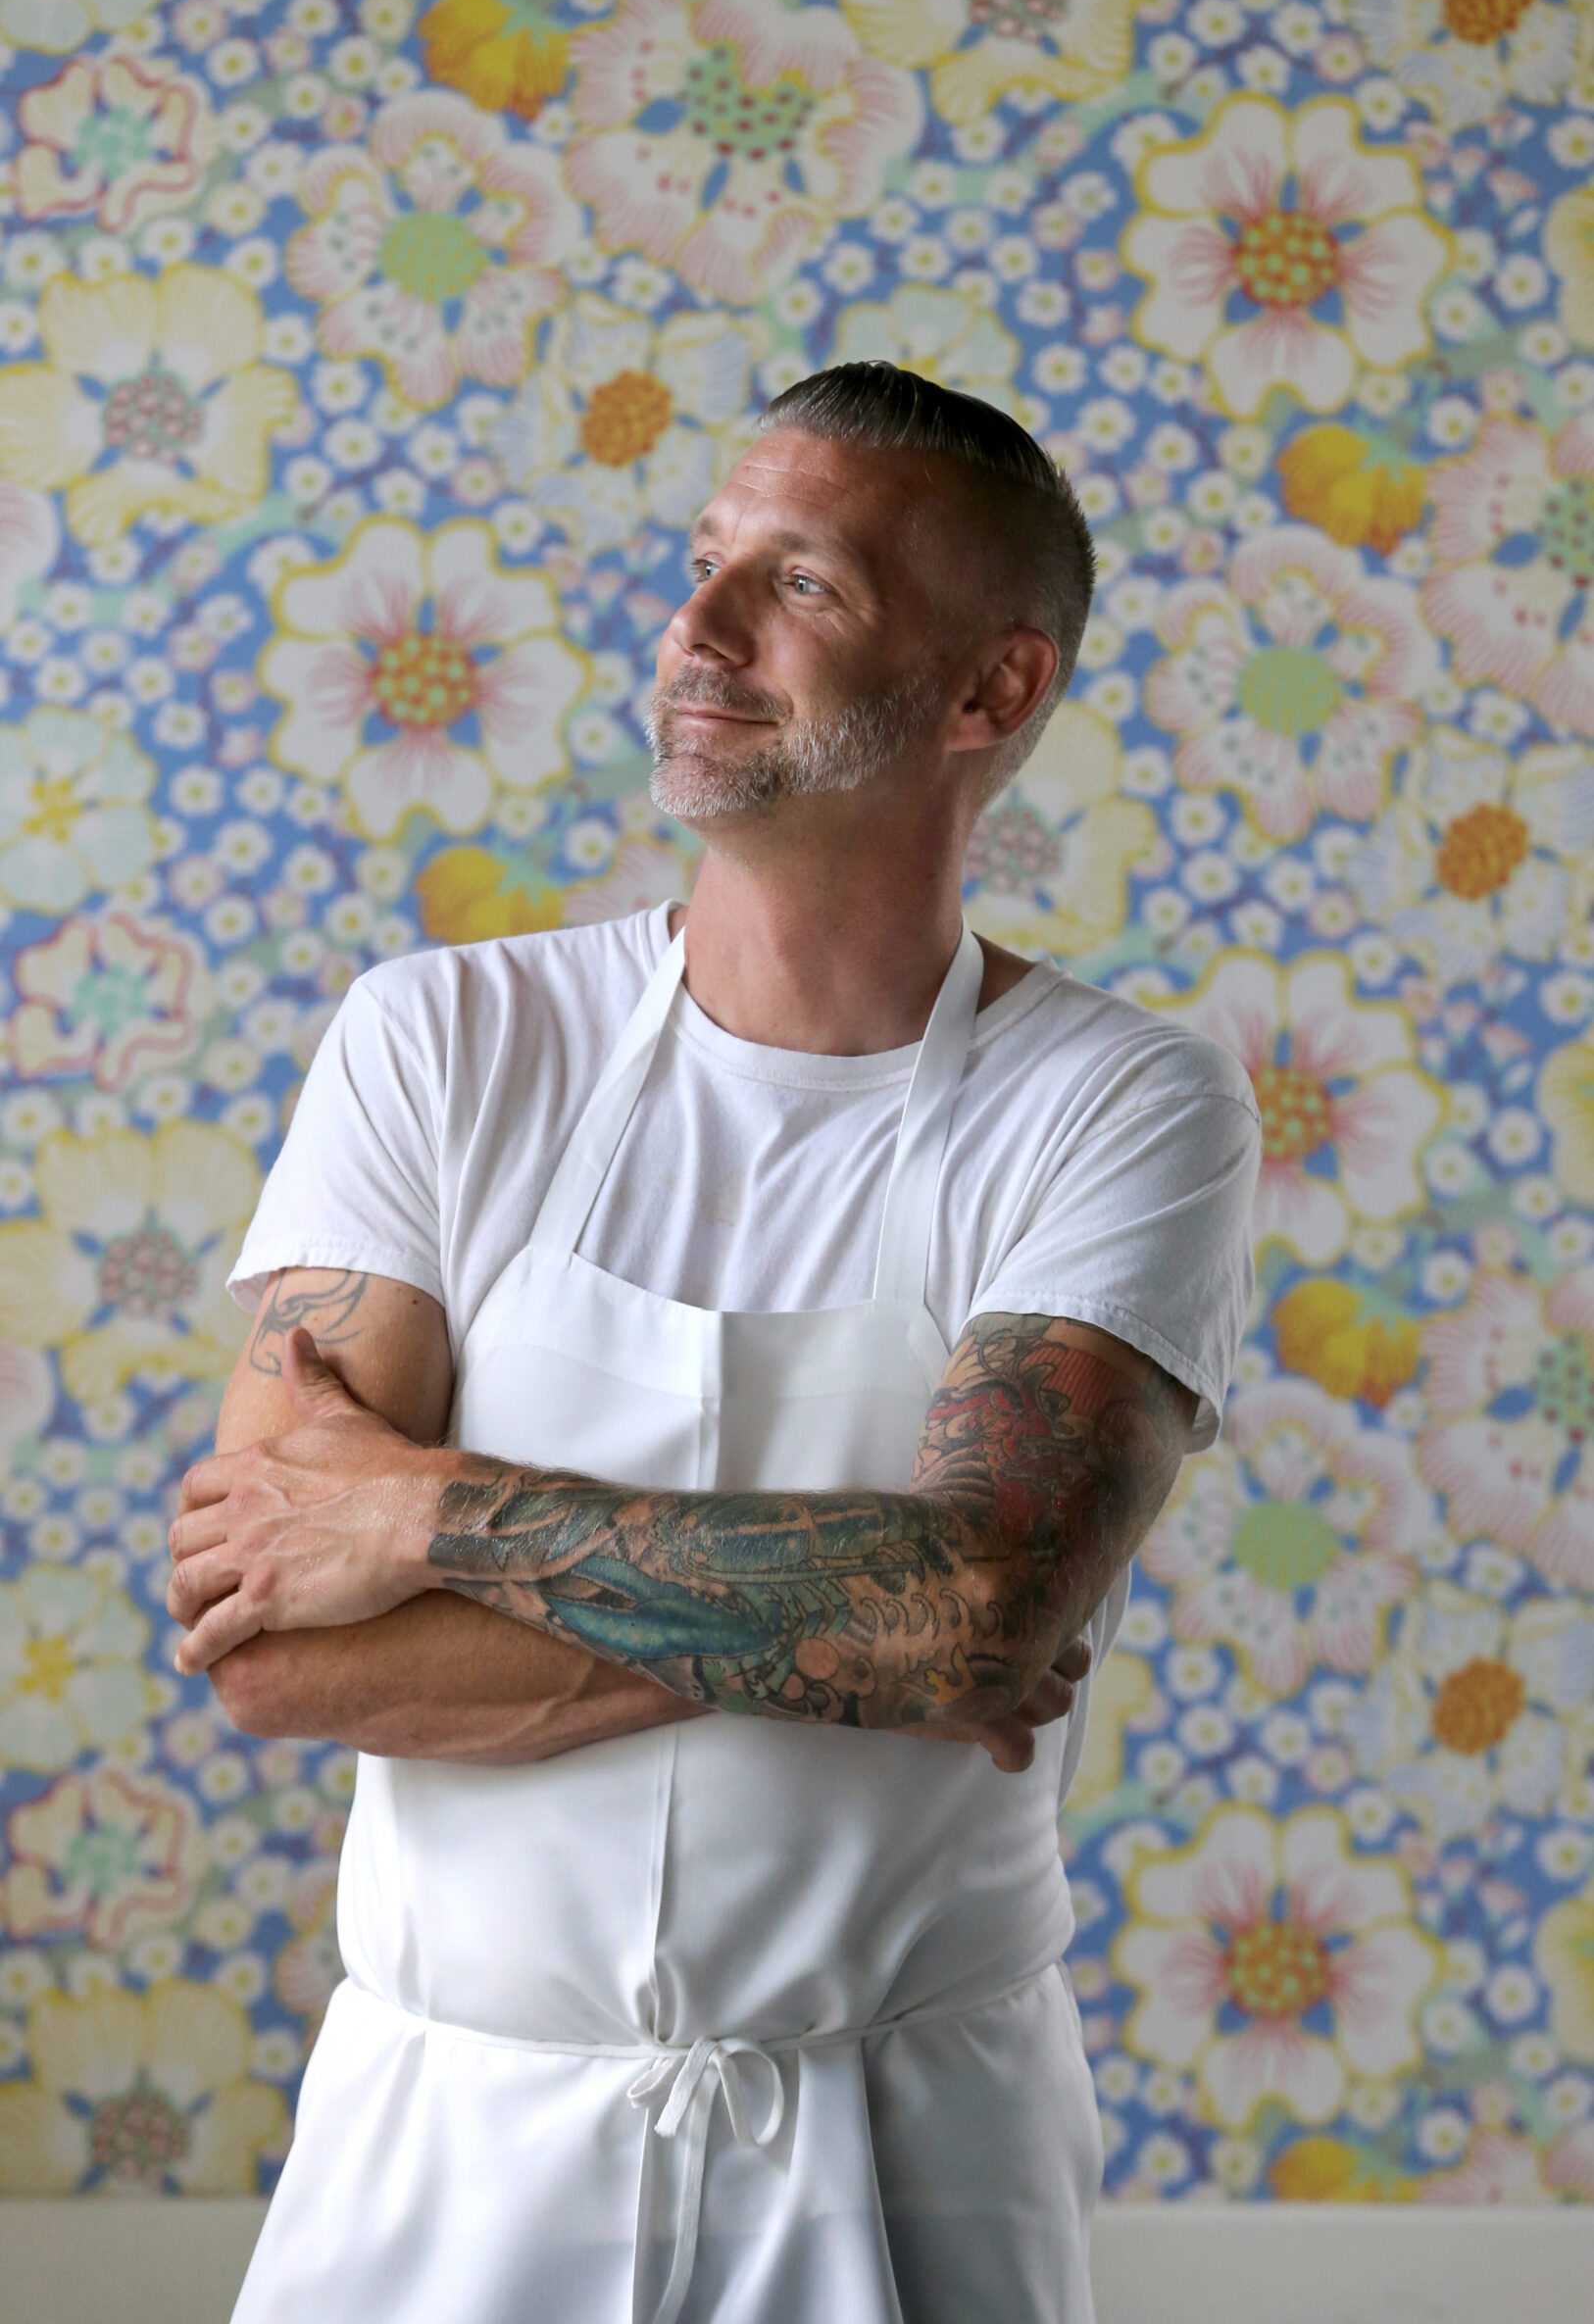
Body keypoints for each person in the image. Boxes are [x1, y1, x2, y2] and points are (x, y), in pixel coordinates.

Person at [169, 364, 1261, 2324]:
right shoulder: (440, 1042)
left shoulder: (1124, 1103)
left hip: (901, 2146)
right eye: (702, 565)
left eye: (806, 585)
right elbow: (274, 1654)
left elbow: (977, 1626)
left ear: (990, 691)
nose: (696, 630)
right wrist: (874, 1613)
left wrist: (421, 1506)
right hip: (444, 2137)